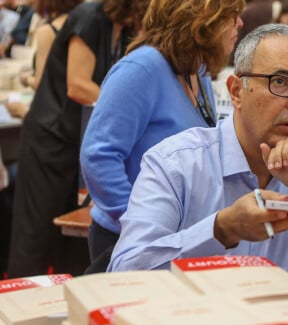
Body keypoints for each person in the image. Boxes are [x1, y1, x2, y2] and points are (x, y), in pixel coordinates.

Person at [108, 24, 288, 277]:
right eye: (280, 82)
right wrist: (221, 230)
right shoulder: (176, 163)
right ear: (236, 91)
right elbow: (123, 274)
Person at [80, 0, 244, 269]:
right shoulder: (142, 68)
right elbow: (98, 156)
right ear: (203, 21)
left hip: (177, 237)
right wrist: (140, 220)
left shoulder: (197, 71)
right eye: (231, 15)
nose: (239, 23)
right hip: (127, 239)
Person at [7, 0, 150, 278]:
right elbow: (77, 85)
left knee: (69, 246)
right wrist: (125, 103)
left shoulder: (123, 28)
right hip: (48, 142)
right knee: (35, 237)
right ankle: (17, 311)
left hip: (75, 142)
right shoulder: (89, 16)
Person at [6, 0, 84, 119]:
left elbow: (41, 84)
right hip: (77, 112)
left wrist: (26, 79)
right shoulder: (86, 25)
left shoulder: (49, 31)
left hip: (53, 115)